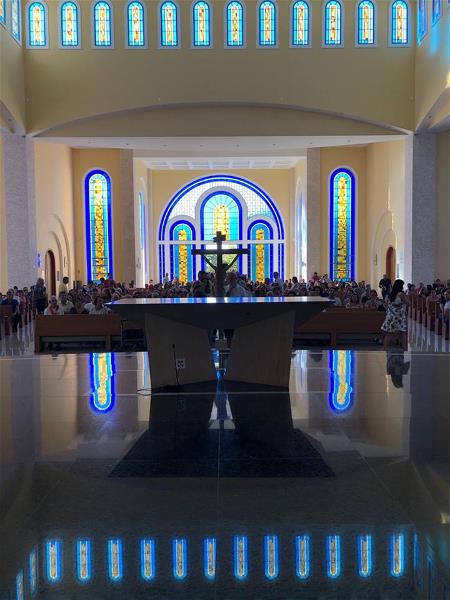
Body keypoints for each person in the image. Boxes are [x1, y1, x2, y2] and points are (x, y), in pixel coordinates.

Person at [381, 279, 408, 350]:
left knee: (389, 333)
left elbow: (386, 304)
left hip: (391, 315)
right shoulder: (401, 294)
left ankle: (384, 348)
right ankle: (405, 348)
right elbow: (408, 303)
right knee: (402, 332)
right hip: (399, 316)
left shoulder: (390, 294)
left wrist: (391, 310)